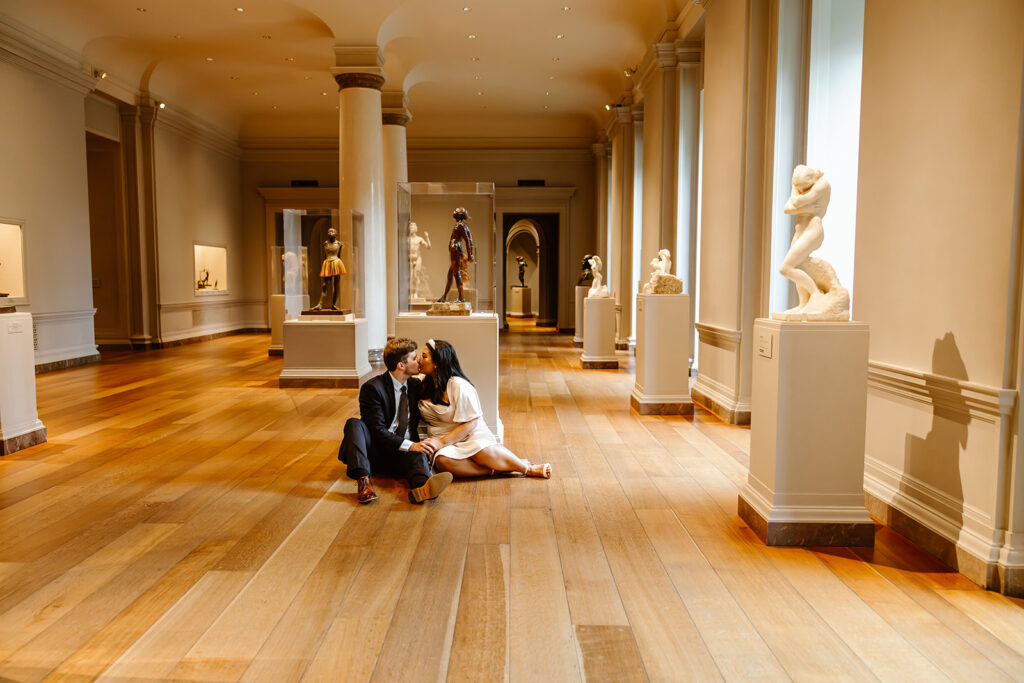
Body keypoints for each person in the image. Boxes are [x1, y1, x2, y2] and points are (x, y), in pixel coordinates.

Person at [338, 337, 453, 504]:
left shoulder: (415, 386)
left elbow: (440, 387)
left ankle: (422, 488)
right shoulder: (372, 388)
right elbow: (377, 431)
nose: (419, 360)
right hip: (375, 454)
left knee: (419, 451)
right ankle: (364, 481)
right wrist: (411, 445)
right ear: (401, 365)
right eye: (414, 358)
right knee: (354, 424)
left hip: (403, 455)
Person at [418, 338, 551, 479]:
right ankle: (497, 470)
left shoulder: (459, 386)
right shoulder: (420, 384)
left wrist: (441, 443)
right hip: (441, 436)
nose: (420, 360)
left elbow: (471, 423)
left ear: (437, 363)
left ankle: (527, 468)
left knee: (481, 450)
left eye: (424, 356)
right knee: (443, 461)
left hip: (469, 433)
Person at [437, 207, 475, 303]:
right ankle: (444, 297)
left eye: (456, 212)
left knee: (456, 274)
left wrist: (470, 254)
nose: (454, 213)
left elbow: (468, 240)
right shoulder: (461, 225)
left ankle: (461, 298)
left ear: (460, 215)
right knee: (450, 275)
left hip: (456, 251)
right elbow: (468, 240)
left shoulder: (461, 226)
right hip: (455, 250)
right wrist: (469, 254)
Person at [312, 227, 346, 310]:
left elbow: (339, 255)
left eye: (332, 231)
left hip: (337, 262)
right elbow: (325, 255)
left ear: (335, 234)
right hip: (327, 262)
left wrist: (338, 264)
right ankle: (320, 304)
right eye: (329, 231)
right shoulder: (325, 244)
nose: (330, 233)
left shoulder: (339, 244)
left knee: (336, 285)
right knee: (325, 285)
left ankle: (334, 304)